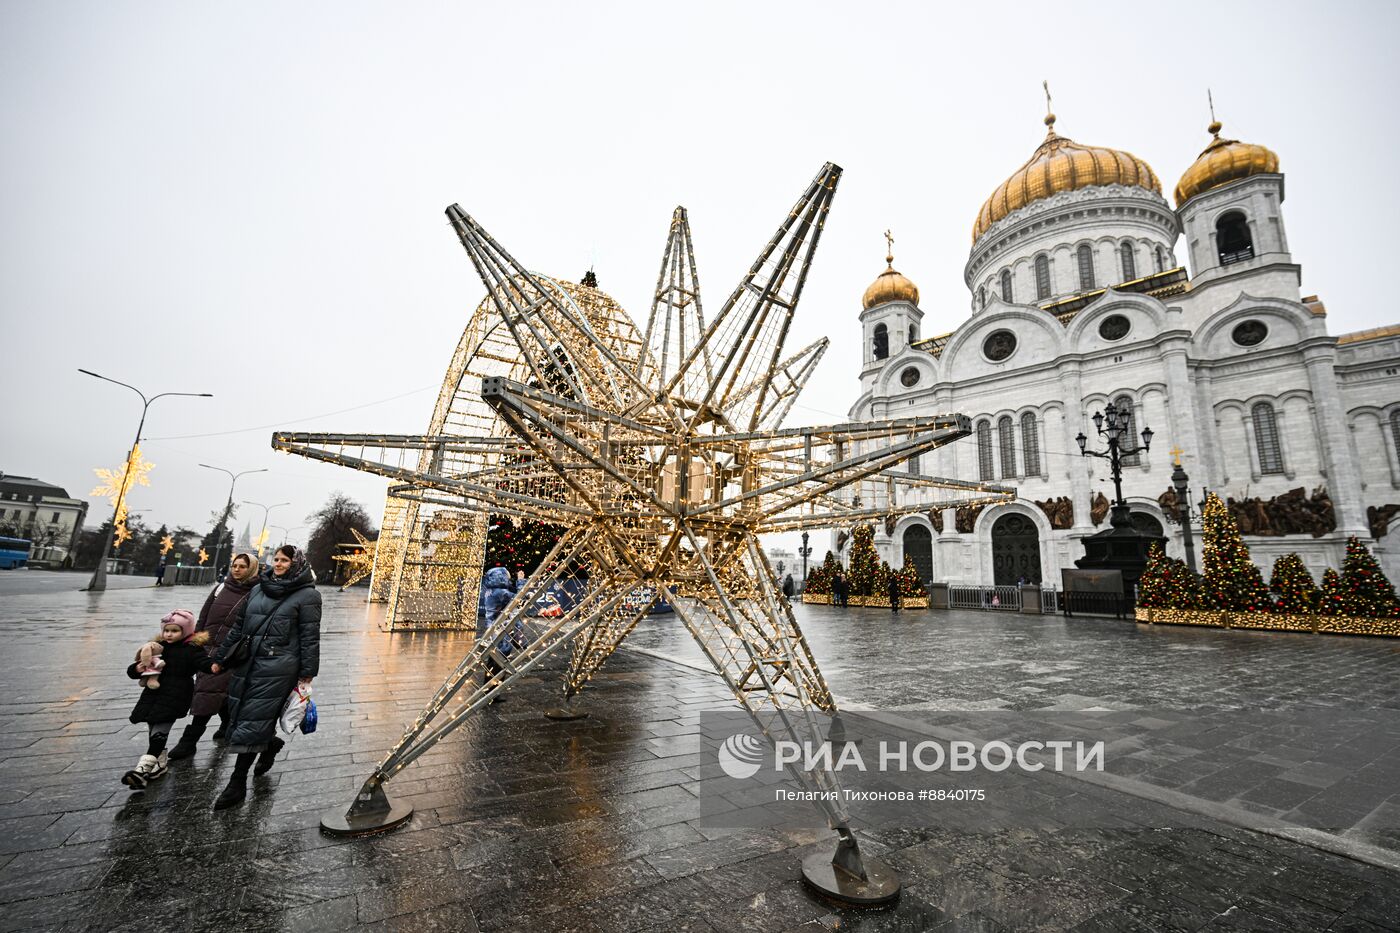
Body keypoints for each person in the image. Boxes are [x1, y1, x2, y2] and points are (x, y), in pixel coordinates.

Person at [206, 544, 320, 810]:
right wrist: (220, 658)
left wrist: (307, 674)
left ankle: (236, 783)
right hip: (247, 663)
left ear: (297, 564)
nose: (278, 564)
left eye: (285, 561)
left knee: (254, 717)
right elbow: (239, 626)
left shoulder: (308, 596)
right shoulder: (258, 588)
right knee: (241, 712)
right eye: (276, 559)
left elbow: (309, 637)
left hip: (278, 667)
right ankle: (268, 745)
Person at [168, 552, 259, 760]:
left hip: (230, 653)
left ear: (252, 569)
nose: (237, 569)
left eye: (243, 566)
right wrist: (195, 641)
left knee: (207, 692)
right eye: (235, 565)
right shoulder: (220, 588)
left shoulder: (255, 593)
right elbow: (204, 616)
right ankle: (227, 722)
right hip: (206, 649)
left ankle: (188, 742)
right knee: (213, 691)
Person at [121, 610, 209, 789]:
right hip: (153, 695)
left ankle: (141, 771)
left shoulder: (192, 649)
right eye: (166, 630)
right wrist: (138, 668)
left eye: (175, 631)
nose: (169, 634)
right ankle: (159, 764)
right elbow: (133, 670)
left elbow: (204, 663)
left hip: (175, 695)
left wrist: (215, 665)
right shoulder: (157, 647)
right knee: (153, 727)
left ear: (185, 631)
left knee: (160, 730)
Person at [477, 566, 520, 694]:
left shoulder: (491, 591)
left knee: (493, 661)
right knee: (499, 663)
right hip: (501, 634)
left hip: (493, 631)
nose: (509, 578)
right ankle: (493, 692)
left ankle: (489, 689)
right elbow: (519, 598)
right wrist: (521, 581)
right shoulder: (501, 593)